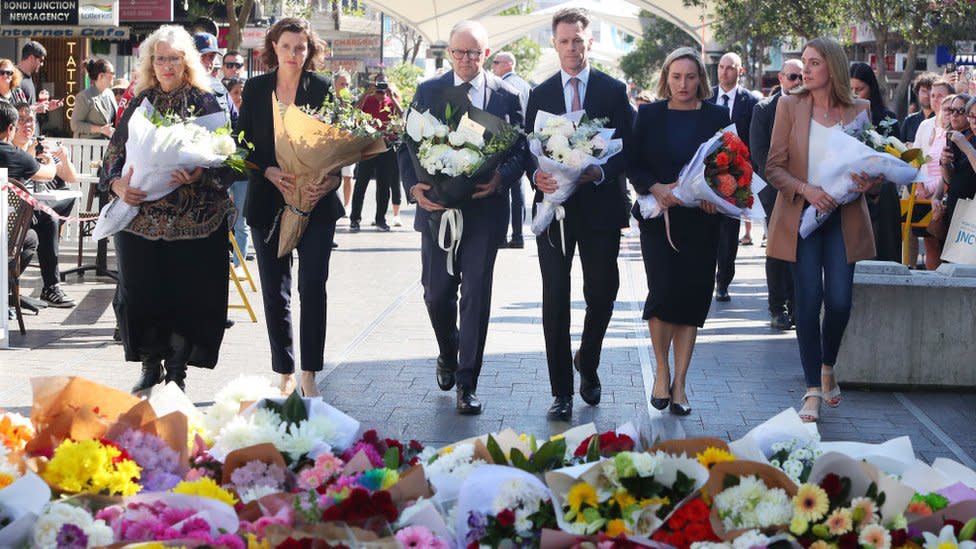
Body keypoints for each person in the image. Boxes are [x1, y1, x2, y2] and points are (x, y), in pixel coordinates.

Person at [397, 20, 525, 415]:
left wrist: (501, 178)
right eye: (459, 52)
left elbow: (521, 150)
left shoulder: (507, 96)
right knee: (436, 293)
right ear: (449, 52)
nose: (467, 59)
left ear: (486, 54)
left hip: (485, 211)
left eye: (474, 52)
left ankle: (467, 382)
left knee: (475, 295)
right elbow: (407, 145)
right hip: (437, 210)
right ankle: (447, 353)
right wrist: (414, 189)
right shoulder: (429, 90)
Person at [100, 25, 234, 394]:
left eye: (174, 58)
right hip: (141, 217)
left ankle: (176, 370)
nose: (166, 65)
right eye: (160, 58)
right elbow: (114, 153)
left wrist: (199, 172)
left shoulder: (206, 101)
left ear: (186, 61)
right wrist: (116, 185)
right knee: (141, 293)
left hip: (195, 219)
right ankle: (150, 364)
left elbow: (229, 158)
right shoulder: (140, 100)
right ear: (150, 62)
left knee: (184, 297)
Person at [524, 7, 634, 421]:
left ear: (589, 43)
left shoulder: (612, 89)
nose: (572, 47)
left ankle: (587, 360)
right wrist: (536, 174)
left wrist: (599, 170)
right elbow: (526, 148)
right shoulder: (540, 93)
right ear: (555, 44)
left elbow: (629, 148)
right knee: (554, 297)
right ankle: (561, 392)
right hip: (554, 212)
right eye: (564, 40)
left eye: (578, 40)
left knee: (602, 291)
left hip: (601, 208)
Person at [766, 37, 881, 423]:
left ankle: (827, 364)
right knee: (808, 301)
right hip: (803, 218)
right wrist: (807, 189)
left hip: (844, 218)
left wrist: (870, 182)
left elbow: (875, 168)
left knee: (840, 302)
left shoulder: (860, 109)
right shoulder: (788, 105)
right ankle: (812, 389)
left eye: (814, 63)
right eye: (805, 63)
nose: (806, 70)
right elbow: (774, 167)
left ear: (831, 66)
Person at [238, 17, 339, 398]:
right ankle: (285, 371)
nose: (294, 54)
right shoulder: (256, 88)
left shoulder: (323, 88)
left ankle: (310, 372)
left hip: (315, 203)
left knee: (313, 286)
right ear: (273, 48)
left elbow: (339, 141)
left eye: (301, 47)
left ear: (309, 50)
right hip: (268, 202)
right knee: (274, 291)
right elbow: (242, 142)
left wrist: (328, 179)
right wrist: (268, 171)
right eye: (287, 47)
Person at [628, 47, 729, 416]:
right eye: (676, 77)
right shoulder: (650, 113)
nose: (683, 84)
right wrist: (655, 187)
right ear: (666, 79)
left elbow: (729, 166)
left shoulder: (718, 115)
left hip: (701, 222)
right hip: (660, 219)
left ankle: (681, 384)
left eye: (689, 77)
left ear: (700, 79)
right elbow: (633, 163)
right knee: (662, 292)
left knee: (691, 301)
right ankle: (661, 369)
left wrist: (715, 195)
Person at [751, 59, 804, 330]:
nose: (797, 82)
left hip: (806, 191)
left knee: (800, 251)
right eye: (793, 76)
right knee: (778, 251)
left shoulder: (811, 107)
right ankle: (777, 307)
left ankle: (799, 307)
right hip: (775, 191)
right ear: (781, 78)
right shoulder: (763, 109)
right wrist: (784, 182)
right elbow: (759, 153)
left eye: (802, 77)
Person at [12, 102, 80, 307]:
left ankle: (51, 288)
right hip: (12, 215)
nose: (27, 125)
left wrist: (64, 159)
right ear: (11, 126)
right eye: (21, 120)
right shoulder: (10, 149)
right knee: (46, 221)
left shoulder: (41, 146)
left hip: (34, 213)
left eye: (30, 120)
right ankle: (45, 288)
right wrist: (31, 155)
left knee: (53, 212)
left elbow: (71, 177)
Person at [709, 52, 758, 300]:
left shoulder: (751, 102)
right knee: (707, 231)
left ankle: (723, 282)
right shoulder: (706, 97)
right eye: (721, 67)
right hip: (706, 175)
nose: (724, 71)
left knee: (729, 234)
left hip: (736, 177)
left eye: (730, 68)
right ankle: (705, 278)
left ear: (740, 71)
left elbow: (754, 139)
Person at [850, 62, 902, 263]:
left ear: (871, 88)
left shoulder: (887, 119)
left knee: (885, 254)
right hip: (852, 193)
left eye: (860, 89)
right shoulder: (840, 117)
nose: (855, 94)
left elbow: (897, 160)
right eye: (851, 89)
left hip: (883, 195)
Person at [350, 78, 403, 232]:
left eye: (382, 90)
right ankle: (355, 218)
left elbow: (402, 115)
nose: (380, 94)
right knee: (361, 183)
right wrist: (367, 93)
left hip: (386, 145)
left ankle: (380, 219)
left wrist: (392, 97)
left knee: (384, 186)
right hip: (369, 145)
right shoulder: (369, 99)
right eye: (378, 90)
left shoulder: (391, 101)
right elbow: (355, 111)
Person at [492, 51, 532, 248]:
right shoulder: (526, 85)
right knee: (518, 192)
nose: (493, 66)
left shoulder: (504, 86)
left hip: (505, 145)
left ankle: (501, 235)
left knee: (502, 190)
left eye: (496, 62)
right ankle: (518, 235)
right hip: (522, 145)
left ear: (508, 64)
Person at [912, 82, 954, 269]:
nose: (935, 99)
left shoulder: (956, 128)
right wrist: (920, 186)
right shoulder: (925, 125)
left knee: (945, 244)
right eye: (933, 95)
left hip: (945, 191)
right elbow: (917, 158)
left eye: (940, 96)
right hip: (925, 192)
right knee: (930, 241)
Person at [938, 94, 976, 255]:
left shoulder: (966, 141)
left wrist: (966, 148)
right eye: (972, 115)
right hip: (958, 210)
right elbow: (951, 180)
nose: (974, 120)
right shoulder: (965, 139)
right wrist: (945, 163)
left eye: (960, 111)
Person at [71, 58, 118, 139]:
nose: (114, 76)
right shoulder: (84, 96)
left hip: (107, 146)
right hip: (88, 147)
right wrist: (100, 129)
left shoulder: (110, 93)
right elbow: (75, 125)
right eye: (112, 73)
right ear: (101, 76)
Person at [332, 70, 356, 210]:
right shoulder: (329, 101)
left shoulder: (352, 102)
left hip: (348, 145)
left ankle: (347, 206)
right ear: (334, 84)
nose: (344, 87)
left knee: (348, 176)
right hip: (332, 145)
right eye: (342, 84)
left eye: (347, 84)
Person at [193, 32, 230, 113]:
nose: (207, 61)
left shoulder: (219, 87)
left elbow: (235, 119)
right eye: (202, 56)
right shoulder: (180, 87)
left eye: (211, 56)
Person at [902, 73, 938, 145]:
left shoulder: (941, 120)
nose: (926, 95)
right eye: (923, 91)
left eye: (930, 90)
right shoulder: (909, 120)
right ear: (917, 93)